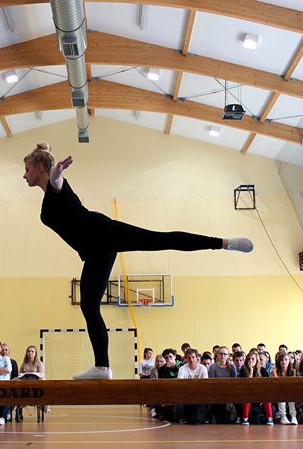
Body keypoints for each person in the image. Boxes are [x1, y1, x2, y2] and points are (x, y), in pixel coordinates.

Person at [23, 143, 253, 379]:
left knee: (160, 239)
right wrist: (56, 174)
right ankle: (102, 367)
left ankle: (224, 242)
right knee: (88, 306)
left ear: (40, 168)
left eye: (27, 169)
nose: (24, 175)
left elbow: (56, 181)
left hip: (103, 233)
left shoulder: (56, 186)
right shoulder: (48, 197)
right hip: (94, 253)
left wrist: (58, 172)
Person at [238, 350, 273, 426]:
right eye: (249, 359)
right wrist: (250, 373)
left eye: (253, 359)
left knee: (267, 397)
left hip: (260, 393)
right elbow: (244, 385)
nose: (250, 361)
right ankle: (245, 418)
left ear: (257, 360)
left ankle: (270, 418)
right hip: (247, 393)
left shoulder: (262, 370)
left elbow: (267, 384)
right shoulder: (243, 371)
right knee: (248, 397)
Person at [177, 349, 208, 425]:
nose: (191, 360)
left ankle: (202, 418)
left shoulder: (203, 368)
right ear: (186, 358)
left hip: (200, 393)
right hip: (186, 394)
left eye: (193, 357)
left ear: (197, 358)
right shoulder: (182, 369)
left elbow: (205, 384)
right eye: (189, 357)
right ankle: (183, 417)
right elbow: (180, 383)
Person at [271, 351, 297, 425]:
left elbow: (293, 384)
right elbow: (277, 384)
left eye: (286, 359)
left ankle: (293, 416)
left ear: (289, 361)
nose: (284, 362)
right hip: (278, 392)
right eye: (282, 360)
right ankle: (283, 417)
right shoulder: (275, 371)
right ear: (279, 362)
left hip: (289, 391)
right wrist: (274, 374)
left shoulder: (293, 371)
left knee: (290, 395)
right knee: (281, 394)